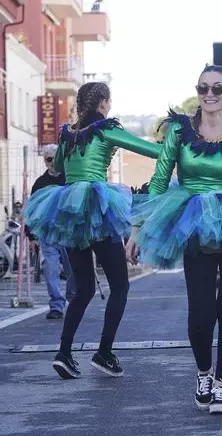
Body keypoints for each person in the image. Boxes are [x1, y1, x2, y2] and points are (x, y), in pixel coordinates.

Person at [126, 65, 222, 414]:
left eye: (216, 88)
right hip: (192, 223)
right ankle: (203, 372)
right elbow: (158, 180)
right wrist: (138, 227)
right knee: (201, 315)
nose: (209, 94)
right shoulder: (180, 133)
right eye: (202, 88)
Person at [22, 82, 161, 379]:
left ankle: (64, 352)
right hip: (99, 207)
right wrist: (183, 145)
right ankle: (104, 352)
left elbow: (57, 169)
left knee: (83, 288)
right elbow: (151, 150)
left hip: (70, 211)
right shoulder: (107, 130)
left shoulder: (67, 135)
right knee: (120, 286)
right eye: (108, 101)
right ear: (102, 103)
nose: (109, 106)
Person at [26, 145, 76, 319]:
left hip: (68, 231)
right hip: (48, 232)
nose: (52, 162)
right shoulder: (39, 183)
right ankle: (56, 304)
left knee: (73, 268)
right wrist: (31, 235)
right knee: (51, 268)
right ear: (44, 161)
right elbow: (31, 211)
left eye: (55, 158)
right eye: (48, 159)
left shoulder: (70, 179)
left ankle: (74, 300)